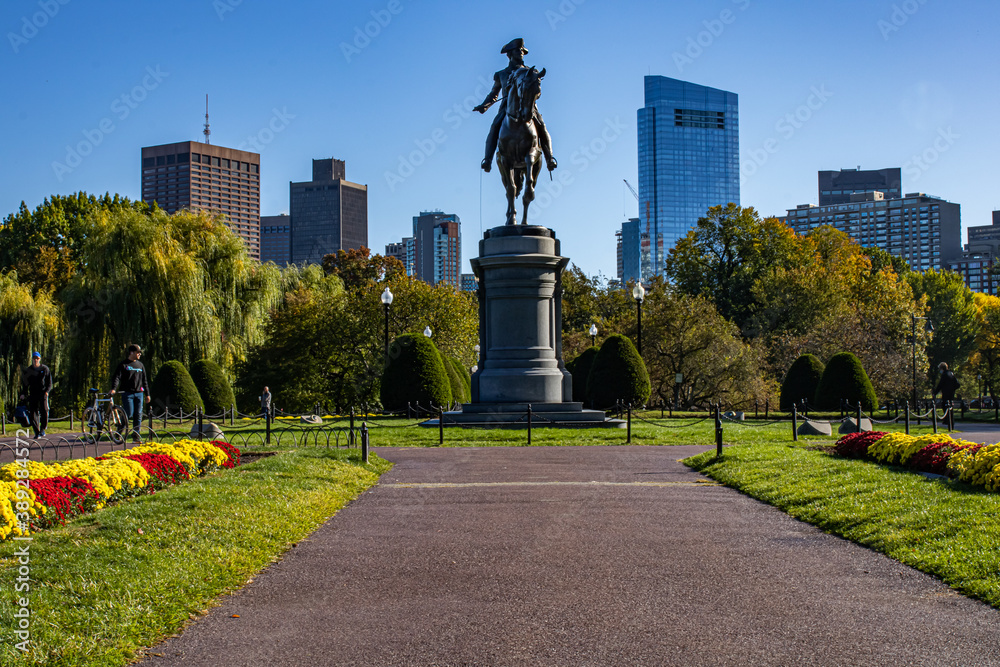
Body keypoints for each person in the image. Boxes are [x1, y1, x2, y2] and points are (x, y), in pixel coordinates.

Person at [474, 37, 557, 173]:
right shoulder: (501, 74)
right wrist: (485, 105)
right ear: (510, 54)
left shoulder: (531, 72)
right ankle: (487, 160)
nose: (521, 53)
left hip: (528, 107)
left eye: (522, 51)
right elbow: (494, 94)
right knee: (495, 126)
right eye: (518, 51)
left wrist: (532, 95)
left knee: (541, 125)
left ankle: (550, 159)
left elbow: (537, 92)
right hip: (507, 108)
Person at [110, 344, 151, 443]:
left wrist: (147, 394)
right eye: (138, 352)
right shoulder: (124, 364)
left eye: (140, 352)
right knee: (128, 413)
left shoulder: (140, 365)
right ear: (131, 352)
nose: (139, 354)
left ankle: (136, 437)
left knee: (138, 415)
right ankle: (119, 432)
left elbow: (144, 380)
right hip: (127, 393)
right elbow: (117, 377)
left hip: (139, 393)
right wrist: (113, 389)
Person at [20, 351, 52, 439]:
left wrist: (47, 391)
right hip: (33, 394)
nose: (35, 360)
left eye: (37, 359)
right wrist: (23, 394)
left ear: (40, 359)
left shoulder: (45, 369)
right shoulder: (28, 371)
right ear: (32, 359)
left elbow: (49, 383)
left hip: (43, 393)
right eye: (34, 359)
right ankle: (36, 432)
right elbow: (25, 384)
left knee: (44, 410)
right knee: (32, 413)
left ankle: (42, 429)